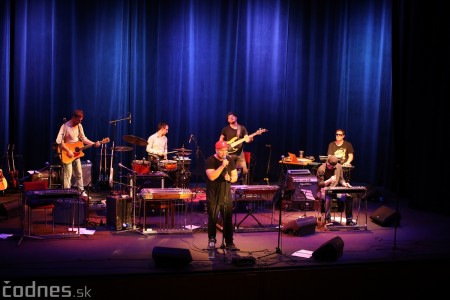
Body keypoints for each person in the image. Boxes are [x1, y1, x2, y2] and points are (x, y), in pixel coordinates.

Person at [56, 109, 100, 197]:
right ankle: (67, 194)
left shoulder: (79, 126)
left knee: (79, 173)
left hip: (76, 154)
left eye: (81, 120)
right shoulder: (65, 126)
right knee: (68, 175)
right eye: (78, 120)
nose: (79, 122)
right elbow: (59, 141)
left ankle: (81, 192)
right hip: (67, 154)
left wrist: (93, 143)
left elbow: (84, 139)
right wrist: (68, 151)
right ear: (74, 117)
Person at [205, 140, 238, 251]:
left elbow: (235, 177)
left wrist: (231, 179)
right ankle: (212, 240)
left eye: (225, 150)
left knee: (227, 219)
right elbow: (212, 177)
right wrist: (222, 167)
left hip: (226, 194)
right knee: (213, 219)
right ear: (216, 150)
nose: (224, 153)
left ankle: (229, 242)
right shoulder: (210, 161)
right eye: (222, 150)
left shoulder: (230, 160)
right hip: (213, 194)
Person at [316, 155, 356, 226]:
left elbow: (341, 179)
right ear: (327, 162)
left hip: (335, 191)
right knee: (327, 197)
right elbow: (320, 184)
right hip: (323, 191)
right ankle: (328, 219)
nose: (330, 168)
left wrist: (345, 184)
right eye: (328, 166)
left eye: (332, 167)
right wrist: (329, 180)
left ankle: (349, 220)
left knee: (349, 197)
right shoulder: (321, 169)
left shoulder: (339, 167)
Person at [219, 112, 252, 185]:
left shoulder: (242, 128)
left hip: (240, 154)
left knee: (244, 172)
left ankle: (243, 189)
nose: (230, 118)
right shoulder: (225, 129)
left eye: (232, 116)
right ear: (228, 120)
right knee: (226, 171)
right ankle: (226, 188)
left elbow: (247, 139)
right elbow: (221, 139)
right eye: (229, 117)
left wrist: (250, 139)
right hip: (228, 153)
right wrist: (222, 146)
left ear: (236, 117)